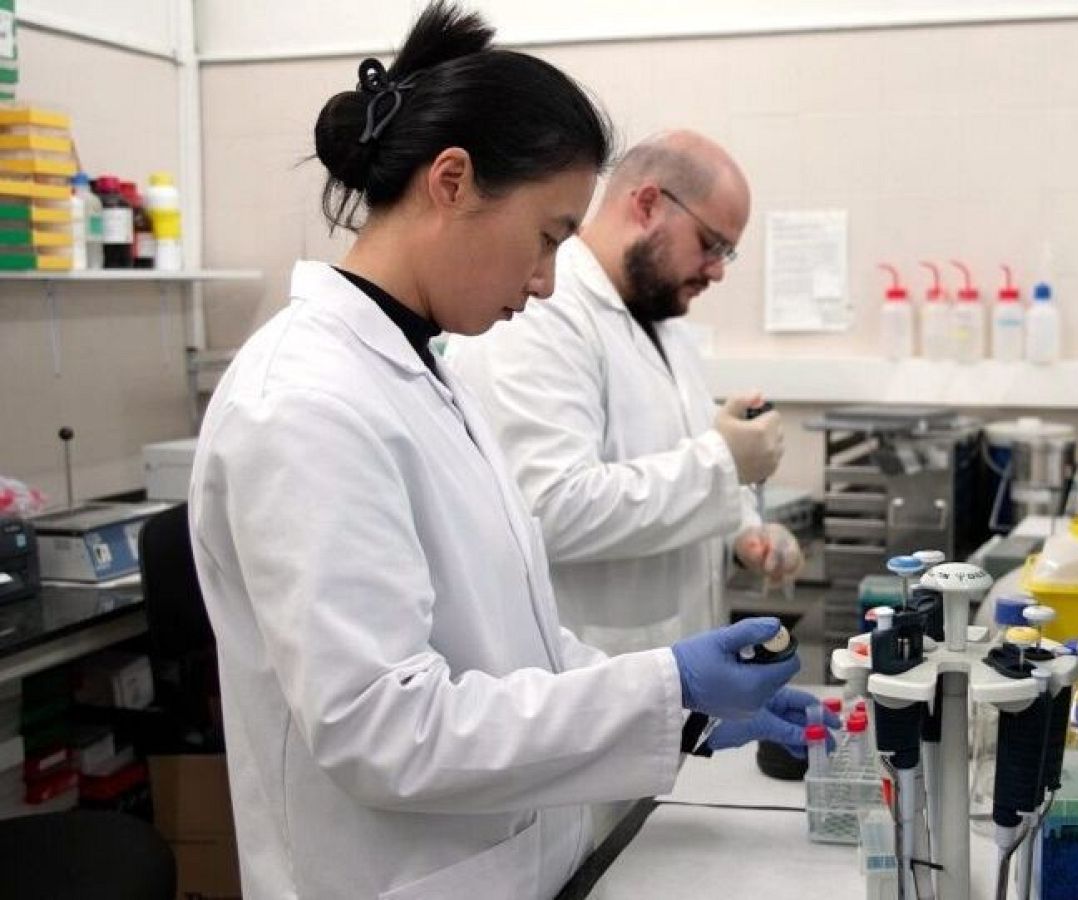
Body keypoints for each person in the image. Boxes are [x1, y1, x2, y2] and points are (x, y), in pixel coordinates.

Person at [187, 5, 815, 898]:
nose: (548, 278)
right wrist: (665, 689)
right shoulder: (305, 401)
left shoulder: (421, 369)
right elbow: (383, 729)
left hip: (511, 860)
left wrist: (688, 711)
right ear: (451, 181)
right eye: (550, 235)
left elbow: (514, 636)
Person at [447, 130, 804, 656]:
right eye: (711, 245)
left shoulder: (662, 319)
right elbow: (547, 508)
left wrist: (744, 531)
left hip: (672, 678)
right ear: (648, 204)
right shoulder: (539, 311)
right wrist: (723, 465)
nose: (718, 270)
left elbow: (671, 465)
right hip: (586, 684)